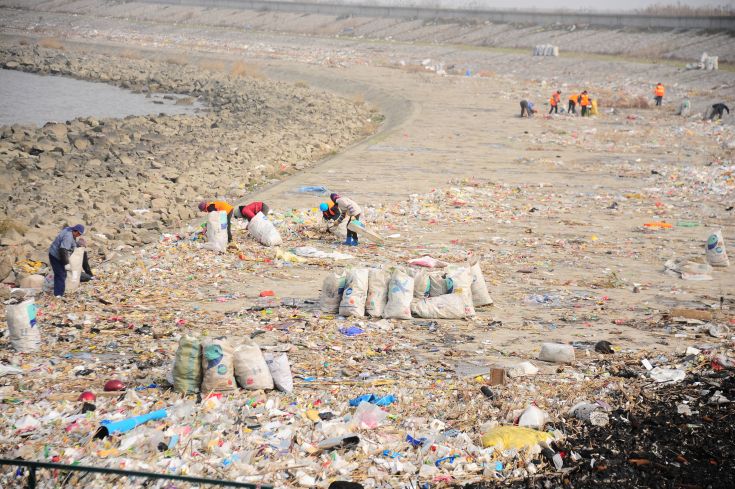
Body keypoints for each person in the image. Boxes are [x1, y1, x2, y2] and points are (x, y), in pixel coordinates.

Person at [48, 224, 84, 297]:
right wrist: (66, 263)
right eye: (78, 234)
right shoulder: (68, 237)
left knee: (62, 274)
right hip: (55, 256)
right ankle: (58, 295)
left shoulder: (69, 229)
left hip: (56, 254)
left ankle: (59, 292)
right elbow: (63, 250)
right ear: (76, 231)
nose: (78, 236)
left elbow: (70, 244)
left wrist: (77, 245)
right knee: (60, 275)